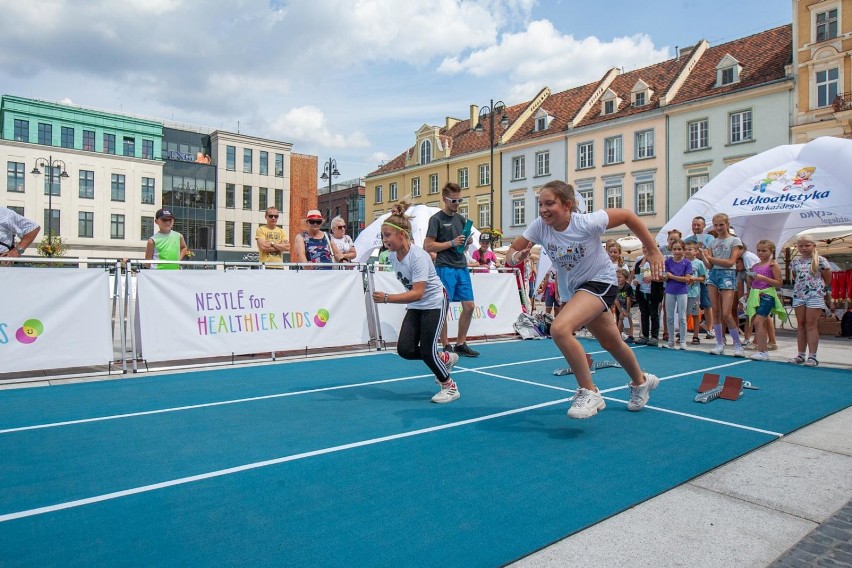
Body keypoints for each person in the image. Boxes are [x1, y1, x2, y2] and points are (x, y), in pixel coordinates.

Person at [505, 180, 662, 419]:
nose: (544, 209)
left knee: (560, 329)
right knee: (611, 343)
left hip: (601, 281)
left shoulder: (587, 222)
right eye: (541, 204)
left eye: (550, 203)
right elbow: (511, 255)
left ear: (567, 205)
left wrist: (652, 249)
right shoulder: (539, 227)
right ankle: (641, 381)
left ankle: (589, 392)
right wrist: (519, 255)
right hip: (577, 289)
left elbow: (629, 216)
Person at [371, 201, 461, 403]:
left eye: (387, 235)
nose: (384, 240)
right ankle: (444, 358)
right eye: (383, 236)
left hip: (434, 302)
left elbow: (418, 292)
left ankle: (449, 386)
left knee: (428, 351)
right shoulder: (393, 256)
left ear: (401, 234)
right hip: (417, 305)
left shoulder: (418, 257)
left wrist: (387, 298)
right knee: (405, 350)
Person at [424, 182, 479, 357]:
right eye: (453, 201)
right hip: (444, 267)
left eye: (459, 200)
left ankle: (461, 343)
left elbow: (461, 242)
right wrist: (452, 243)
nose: (457, 204)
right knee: (443, 307)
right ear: (444, 199)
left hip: (461, 266)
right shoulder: (436, 219)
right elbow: (428, 246)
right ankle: (446, 344)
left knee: (469, 306)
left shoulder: (461, 219)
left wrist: (466, 242)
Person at [701, 213, 744, 357]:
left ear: (727, 224)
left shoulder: (734, 240)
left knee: (727, 313)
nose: (718, 227)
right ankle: (719, 344)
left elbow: (731, 262)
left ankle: (738, 345)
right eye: (716, 225)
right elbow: (709, 266)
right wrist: (703, 256)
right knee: (716, 311)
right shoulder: (712, 242)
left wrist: (710, 258)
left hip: (727, 275)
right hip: (713, 275)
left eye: (721, 224)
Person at [788, 234, 832, 366]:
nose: (804, 248)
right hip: (799, 295)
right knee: (800, 324)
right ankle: (800, 354)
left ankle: (813, 356)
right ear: (796, 247)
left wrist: (818, 289)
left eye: (807, 245)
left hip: (815, 295)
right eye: (800, 245)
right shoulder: (795, 262)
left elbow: (828, 279)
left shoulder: (821, 260)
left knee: (811, 324)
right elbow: (796, 277)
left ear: (814, 246)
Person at [744, 239, 785, 361]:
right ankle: (761, 349)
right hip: (756, 295)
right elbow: (753, 283)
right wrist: (750, 281)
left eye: (764, 251)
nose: (761, 253)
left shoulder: (773, 265)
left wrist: (763, 278)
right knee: (757, 322)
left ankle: (763, 351)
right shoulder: (755, 266)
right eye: (759, 250)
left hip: (767, 295)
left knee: (758, 321)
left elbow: (779, 283)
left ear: (771, 251)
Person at [684, 216, 715, 339]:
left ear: (703, 226)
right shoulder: (687, 240)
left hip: (705, 276)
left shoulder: (710, 238)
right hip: (690, 279)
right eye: (694, 224)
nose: (696, 227)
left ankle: (710, 328)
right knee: (687, 306)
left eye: (698, 225)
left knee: (707, 304)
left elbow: (709, 254)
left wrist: (702, 250)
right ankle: (683, 328)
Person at [662, 238, 693, 350]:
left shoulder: (687, 262)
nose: (677, 251)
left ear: (683, 250)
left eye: (679, 249)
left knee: (682, 317)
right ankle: (671, 341)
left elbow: (687, 279)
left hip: (682, 291)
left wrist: (672, 276)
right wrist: (665, 276)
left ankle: (683, 341)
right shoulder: (667, 262)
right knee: (669, 317)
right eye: (675, 249)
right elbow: (664, 276)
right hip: (669, 290)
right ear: (671, 250)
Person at [633, 246, 664, 346]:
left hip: (653, 292)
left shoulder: (658, 261)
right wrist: (635, 282)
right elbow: (635, 275)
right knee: (644, 314)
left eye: (648, 246)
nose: (646, 249)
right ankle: (645, 335)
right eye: (644, 247)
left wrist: (653, 278)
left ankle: (654, 337)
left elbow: (664, 277)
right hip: (642, 292)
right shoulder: (639, 262)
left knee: (654, 315)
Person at [684, 242, 707, 345]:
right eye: (686, 249)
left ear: (695, 252)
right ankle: (682, 334)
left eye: (690, 249)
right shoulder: (682, 262)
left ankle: (696, 335)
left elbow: (704, 278)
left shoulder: (699, 263)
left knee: (695, 314)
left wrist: (695, 279)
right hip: (682, 293)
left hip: (694, 293)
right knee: (683, 315)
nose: (687, 251)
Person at [613, 268, 635, 343]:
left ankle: (631, 335)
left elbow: (629, 301)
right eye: (616, 277)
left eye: (619, 277)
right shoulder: (615, 286)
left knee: (627, 318)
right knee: (621, 317)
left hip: (632, 304)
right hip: (621, 304)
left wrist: (627, 311)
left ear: (625, 278)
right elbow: (616, 300)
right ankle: (618, 335)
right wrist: (621, 311)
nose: (617, 279)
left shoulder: (627, 287)